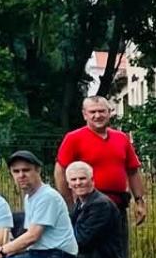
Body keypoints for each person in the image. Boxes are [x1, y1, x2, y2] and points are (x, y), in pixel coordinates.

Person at [55, 95, 148, 224]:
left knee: (119, 244)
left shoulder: (121, 138)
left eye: (102, 111)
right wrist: (69, 203)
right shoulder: (73, 139)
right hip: (88, 207)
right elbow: (60, 171)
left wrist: (140, 201)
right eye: (92, 112)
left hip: (117, 206)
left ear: (109, 113)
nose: (97, 115)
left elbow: (133, 171)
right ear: (84, 115)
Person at [63, 161, 129, 258]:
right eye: (73, 180)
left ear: (92, 180)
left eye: (82, 178)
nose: (78, 183)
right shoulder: (80, 203)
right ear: (68, 184)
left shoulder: (100, 205)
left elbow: (81, 240)